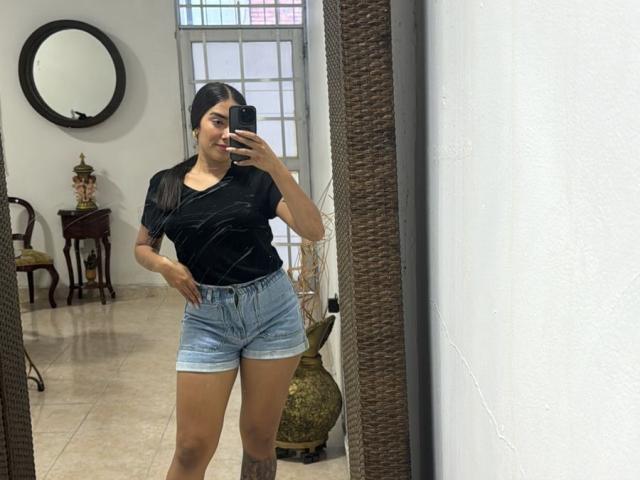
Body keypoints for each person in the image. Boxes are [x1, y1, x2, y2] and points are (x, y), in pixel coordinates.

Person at [133, 82, 324, 480]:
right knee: (191, 447)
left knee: (259, 439)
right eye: (216, 121)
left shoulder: (256, 178)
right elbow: (142, 247)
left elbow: (313, 229)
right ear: (196, 126)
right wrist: (165, 266)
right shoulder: (166, 184)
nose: (225, 133)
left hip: (271, 313)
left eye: (232, 123)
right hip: (207, 317)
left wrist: (275, 166)